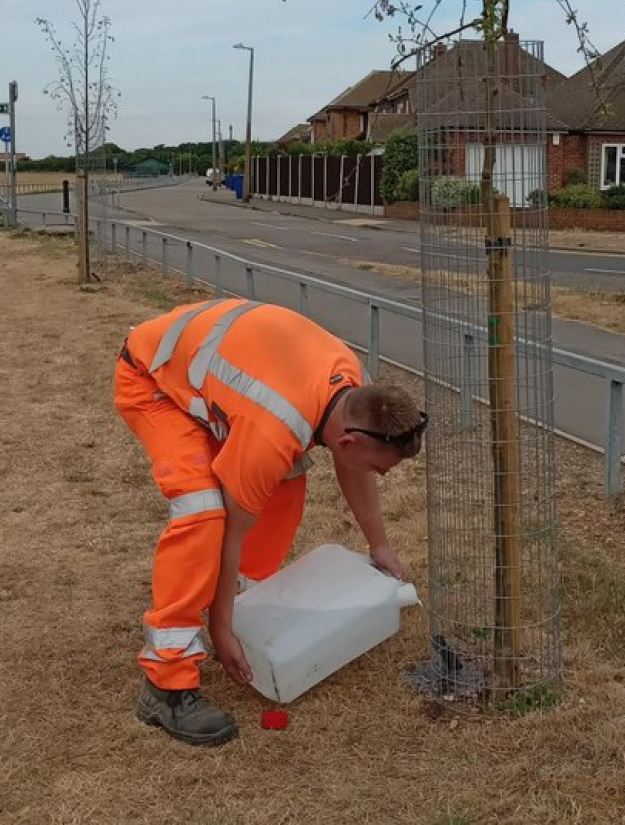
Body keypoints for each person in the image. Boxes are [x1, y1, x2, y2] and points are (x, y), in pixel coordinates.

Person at [114, 297, 426, 747]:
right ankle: (167, 682)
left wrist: (379, 544)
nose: (378, 476)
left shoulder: (355, 386)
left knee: (284, 486)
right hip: (154, 381)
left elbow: (352, 465)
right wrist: (220, 631)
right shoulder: (274, 427)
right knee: (204, 510)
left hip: (214, 377)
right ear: (349, 439)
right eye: (380, 468)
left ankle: (244, 609)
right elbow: (232, 532)